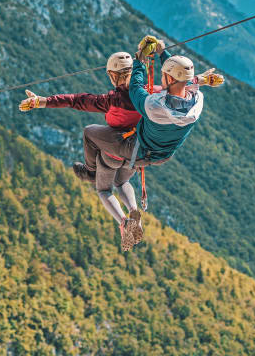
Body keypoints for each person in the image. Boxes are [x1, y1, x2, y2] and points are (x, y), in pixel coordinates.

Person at [20, 45, 223, 251]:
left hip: (115, 153)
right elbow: (177, 85)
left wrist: (42, 101)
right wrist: (202, 80)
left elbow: (76, 100)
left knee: (102, 185)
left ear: (112, 76)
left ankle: (118, 213)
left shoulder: (112, 100)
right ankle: (133, 209)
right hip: (138, 155)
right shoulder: (153, 94)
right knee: (122, 181)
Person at [79, 35, 223, 250]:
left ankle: (121, 218)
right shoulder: (197, 102)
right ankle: (133, 211)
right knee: (122, 182)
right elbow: (186, 83)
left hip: (138, 149)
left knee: (95, 153)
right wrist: (163, 53)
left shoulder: (154, 106)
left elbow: (136, 87)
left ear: (169, 78)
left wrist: (140, 59)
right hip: (162, 155)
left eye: (164, 74)